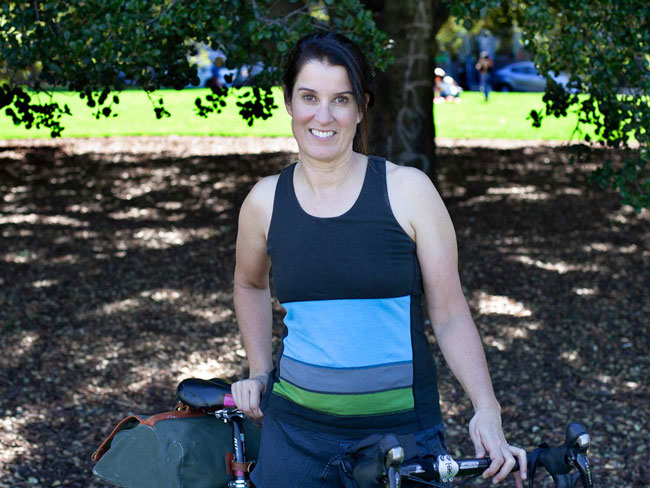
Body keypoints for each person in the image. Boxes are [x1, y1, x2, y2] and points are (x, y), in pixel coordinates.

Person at [231, 31, 526, 488]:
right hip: (295, 440)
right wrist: (259, 369)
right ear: (289, 102)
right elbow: (249, 285)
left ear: (361, 106)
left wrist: (487, 409)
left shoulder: (409, 191)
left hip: (403, 439)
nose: (323, 116)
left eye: (340, 99)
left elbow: (448, 313)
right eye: (309, 97)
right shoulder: (264, 202)